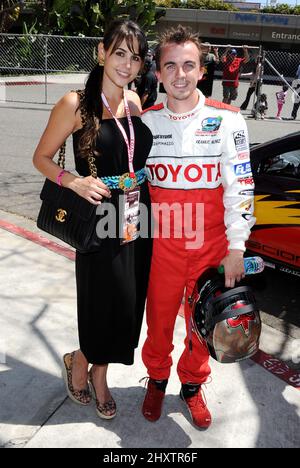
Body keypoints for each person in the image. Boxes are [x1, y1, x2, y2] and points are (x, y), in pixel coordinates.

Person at [33, 20, 153, 420]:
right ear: (102, 52)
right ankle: (89, 369)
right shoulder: (74, 103)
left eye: (134, 57)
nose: (126, 63)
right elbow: (42, 158)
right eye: (119, 52)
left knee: (127, 306)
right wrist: (75, 182)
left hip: (138, 215)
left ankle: (88, 362)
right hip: (98, 217)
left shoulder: (134, 102)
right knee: (102, 304)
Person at [141, 25, 255, 429]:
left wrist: (237, 247)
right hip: (162, 250)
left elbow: (240, 186)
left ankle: (191, 385)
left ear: (202, 70)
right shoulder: (145, 122)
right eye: (170, 66)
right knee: (157, 326)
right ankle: (156, 378)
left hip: (211, 248)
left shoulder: (228, 120)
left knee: (202, 325)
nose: (179, 74)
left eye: (188, 65)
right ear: (157, 73)